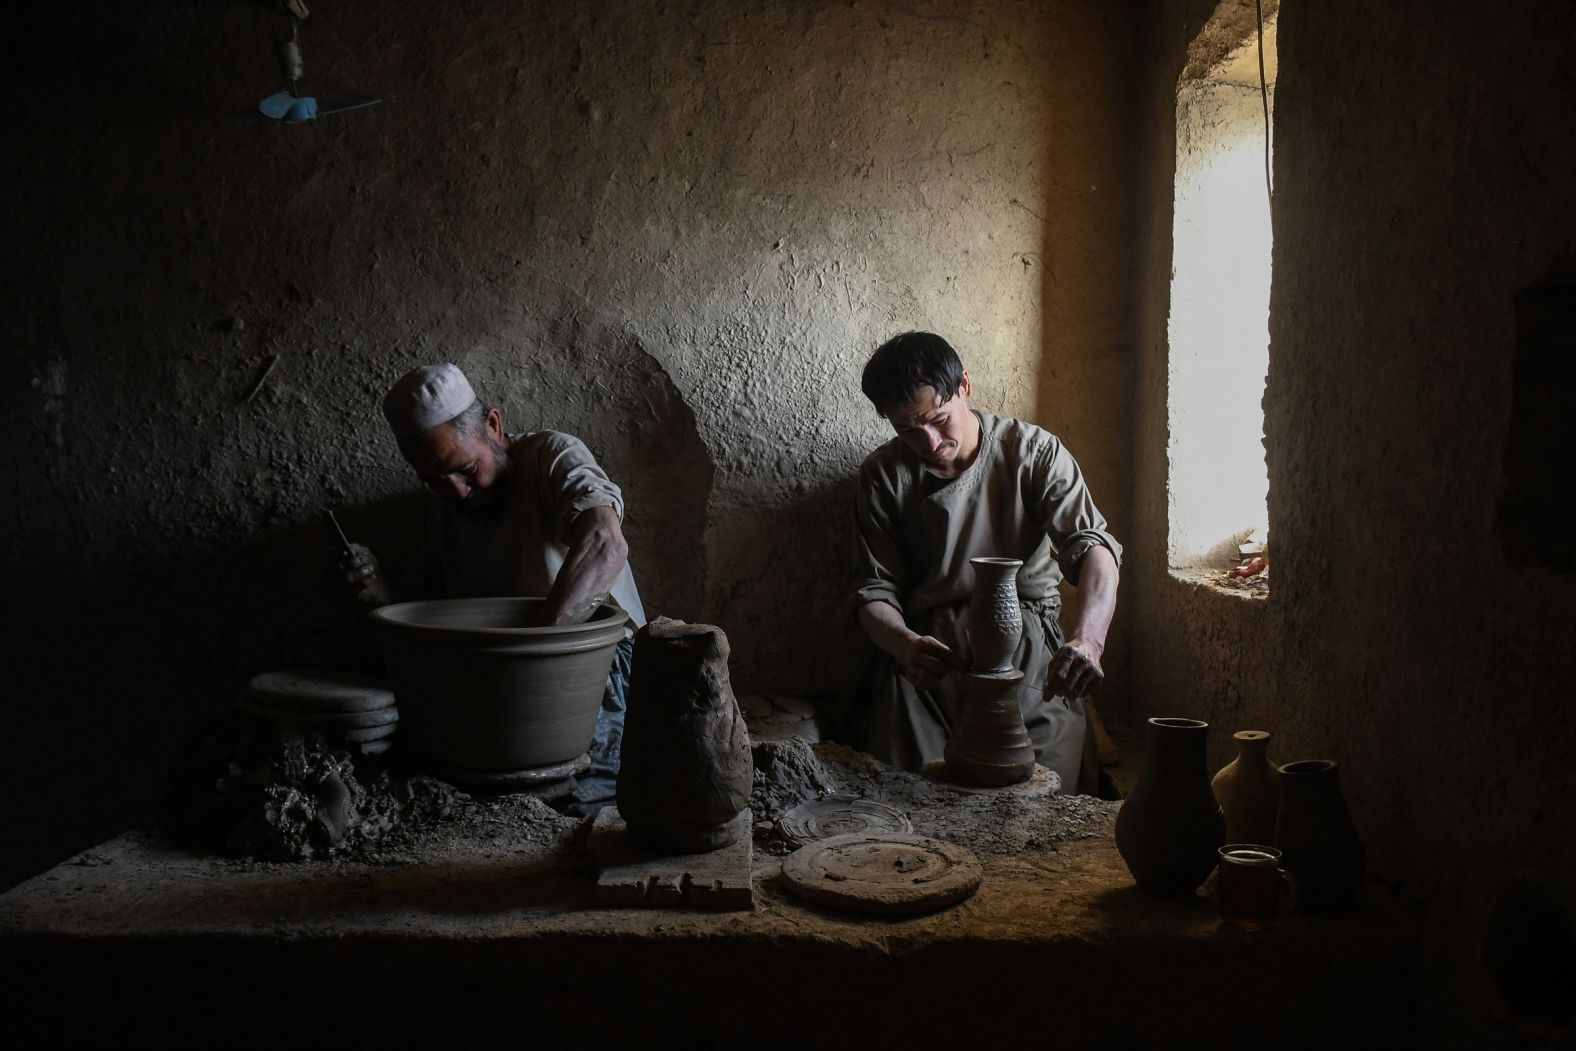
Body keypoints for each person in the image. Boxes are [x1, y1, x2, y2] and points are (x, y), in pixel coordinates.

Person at [345, 362, 646, 813]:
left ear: (493, 426)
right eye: (434, 481)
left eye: (465, 469)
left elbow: (606, 543)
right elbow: (421, 611)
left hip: (594, 668)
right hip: (494, 681)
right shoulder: (446, 510)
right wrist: (380, 592)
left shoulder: (552, 456)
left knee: (581, 808)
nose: (457, 491)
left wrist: (535, 653)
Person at [848, 332, 1121, 793]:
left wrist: (1089, 641)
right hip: (929, 656)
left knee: (1047, 794)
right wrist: (904, 646)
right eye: (908, 430)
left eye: (938, 419)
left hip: (1028, 650)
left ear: (965, 387)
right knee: (907, 794)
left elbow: (1093, 546)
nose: (929, 441)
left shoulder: (1033, 452)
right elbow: (873, 592)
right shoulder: (884, 475)